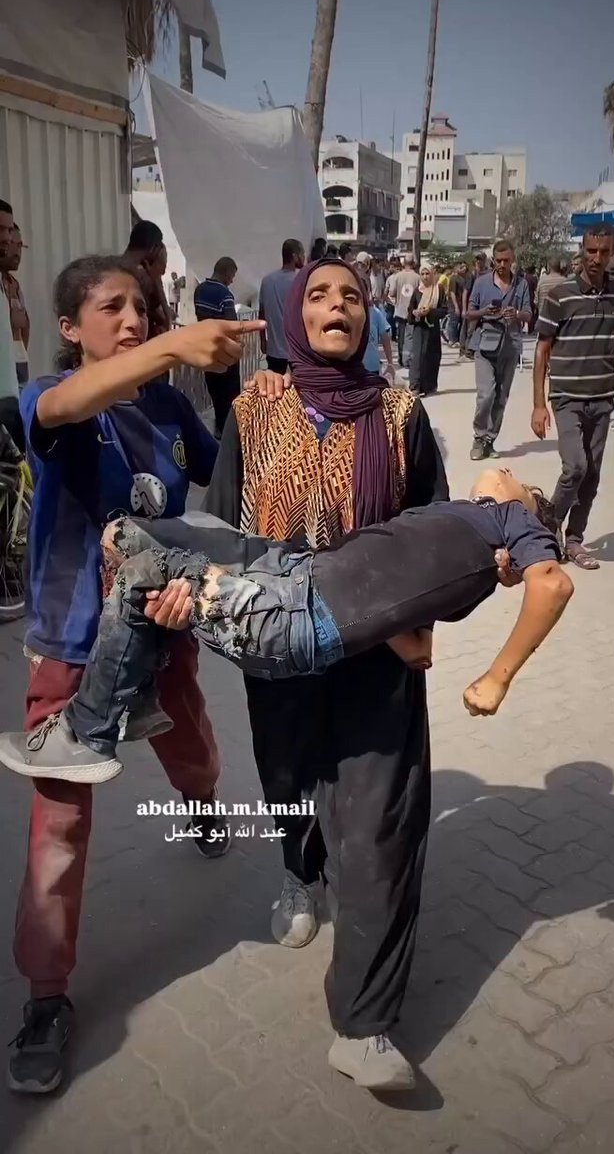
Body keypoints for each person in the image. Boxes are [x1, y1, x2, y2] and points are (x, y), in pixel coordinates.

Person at [4, 253, 263, 1095]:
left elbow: (216, 475)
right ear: (69, 327)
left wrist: (233, 386)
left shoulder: (166, 405)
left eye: (141, 308)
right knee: (59, 825)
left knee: (195, 752)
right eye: (111, 308)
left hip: (162, 630)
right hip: (70, 648)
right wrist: (173, 346)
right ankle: (47, 995)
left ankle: (202, 806)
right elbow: (70, 403)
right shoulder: (54, 398)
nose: (132, 319)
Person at [203, 256, 448, 1090]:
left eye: (351, 295)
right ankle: (297, 874)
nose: (337, 304)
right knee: (288, 776)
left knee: (381, 823)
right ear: (293, 317)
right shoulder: (253, 407)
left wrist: (417, 625)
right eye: (319, 294)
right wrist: (213, 609)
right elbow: (223, 526)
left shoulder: (402, 413)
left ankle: (365, 1025)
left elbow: (433, 532)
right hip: (279, 644)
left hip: (376, 647)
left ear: (369, 317)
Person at [0, 468, 573, 789]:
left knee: (144, 574)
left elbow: (552, 585)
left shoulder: (511, 525)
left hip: (295, 615)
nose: (508, 472)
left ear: (529, 516)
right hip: (292, 568)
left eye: (524, 483)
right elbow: (414, 639)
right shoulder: (461, 520)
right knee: (127, 535)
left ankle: (86, 734)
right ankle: (140, 692)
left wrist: (496, 677)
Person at [532, 224, 614, 570]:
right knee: (575, 467)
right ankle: (546, 525)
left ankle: (574, 540)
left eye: (604, 252)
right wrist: (538, 405)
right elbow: (542, 350)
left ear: (612, 254)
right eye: (591, 250)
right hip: (566, 397)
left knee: (592, 475)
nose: (597, 258)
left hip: (602, 397)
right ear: (582, 250)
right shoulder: (560, 295)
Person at [466, 239, 532, 460]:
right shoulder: (481, 282)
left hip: (510, 345)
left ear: (513, 260)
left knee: (501, 397)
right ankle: (478, 436)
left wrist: (517, 314)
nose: (503, 265)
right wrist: (485, 311)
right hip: (484, 345)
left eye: (507, 260)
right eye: (499, 260)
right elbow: (469, 313)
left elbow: (529, 314)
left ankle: (489, 440)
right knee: (486, 395)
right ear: (493, 260)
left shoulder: (521, 284)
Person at [194, 256, 241, 439]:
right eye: (232, 275)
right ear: (226, 271)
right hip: (225, 353)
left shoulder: (199, 290)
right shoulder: (225, 294)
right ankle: (229, 436)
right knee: (230, 398)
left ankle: (219, 431)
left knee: (216, 395)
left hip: (207, 351)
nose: (232, 280)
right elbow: (231, 325)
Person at [258, 239, 306, 374]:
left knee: (275, 385)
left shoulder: (267, 280)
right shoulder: (300, 280)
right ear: (295, 256)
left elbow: (261, 313)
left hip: (273, 350)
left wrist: (263, 340)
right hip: (297, 350)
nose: (304, 258)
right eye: (302, 254)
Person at [124, 220, 172, 339]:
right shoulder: (143, 278)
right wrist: (157, 279)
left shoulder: (113, 266)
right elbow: (165, 320)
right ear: (152, 248)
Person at [407, 264, 448, 397]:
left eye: (427, 274)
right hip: (420, 328)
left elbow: (444, 310)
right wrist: (415, 313)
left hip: (432, 329)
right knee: (418, 357)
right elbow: (410, 309)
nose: (425, 277)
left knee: (432, 356)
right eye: (423, 274)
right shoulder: (417, 291)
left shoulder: (438, 289)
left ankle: (429, 386)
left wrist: (430, 311)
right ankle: (415, 386)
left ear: (432, 274)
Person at [0, 199, 21, 448]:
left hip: (9, 399)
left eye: (8, 230)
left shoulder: (6, 286)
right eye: (0, 229)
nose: (6, 237)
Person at [1, 223, 30, 385]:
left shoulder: (14, 285)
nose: (17, 252)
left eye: (20, 246)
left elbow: (24, 324)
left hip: (18, 363)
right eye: (13, 244)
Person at [388, 253, 420, 367]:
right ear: (413, 263)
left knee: (401, 335)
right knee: (410, 336)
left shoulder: (397, 276)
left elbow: (391, 293)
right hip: (412, 311)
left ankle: (401, 358)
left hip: (400, 310)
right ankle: (408, 359)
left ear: (403, 263)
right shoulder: (417, 277)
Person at [363, 289, 395, 382]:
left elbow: (385, 339)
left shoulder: (376, 313)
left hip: (372, 368)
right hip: (353, 369)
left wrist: (390, 364)